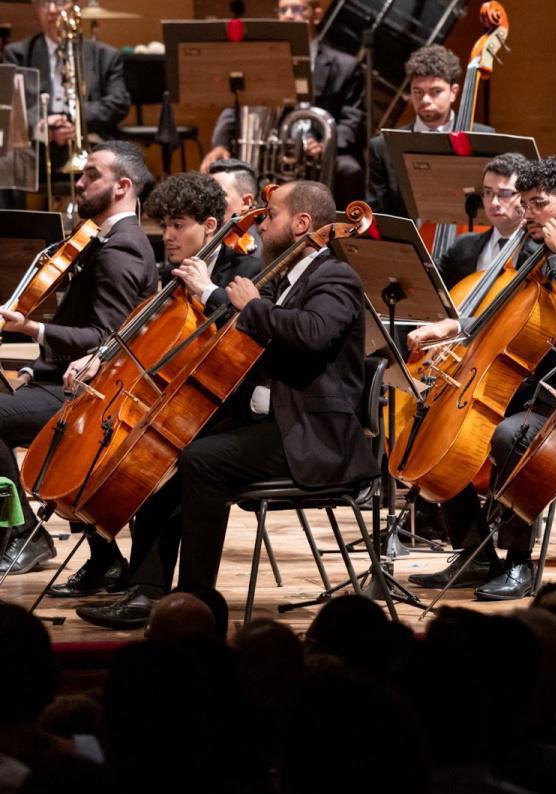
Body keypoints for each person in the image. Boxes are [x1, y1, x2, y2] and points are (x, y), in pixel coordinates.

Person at [77, 181, 378, 626]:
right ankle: (146, 591)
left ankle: (196, 604)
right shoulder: (288, 275)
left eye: (271, 215)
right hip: (275, 424)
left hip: (313, 436)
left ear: (301, 223)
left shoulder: (335, 276)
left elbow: (312, 332)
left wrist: (232, 300)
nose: (261, 224)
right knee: (172, 452)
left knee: (203, 460)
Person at [405, 156, 556, 601]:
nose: (526, 213)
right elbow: (504, 313)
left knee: (510, 436)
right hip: (526, 389)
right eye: (524, 203)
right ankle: (475, 554)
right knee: (435, 419)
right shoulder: (532, 254)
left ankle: (517, 563)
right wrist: (455, 326)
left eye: (538, 204)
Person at [51, 171, 261, 603]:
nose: (166, 235)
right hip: (180, 400)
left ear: (208, 225)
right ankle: (137, 583)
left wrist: (208, 291)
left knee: (164, 464)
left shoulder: (247, 270)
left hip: (230, 404)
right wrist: (101, 356)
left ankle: (148, 591)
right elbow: (140, 332)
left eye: (177, 225)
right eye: (163, 225)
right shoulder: (174, 271)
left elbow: (247, 335)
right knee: (140, 452)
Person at [0, 142, 156, 576]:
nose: (80, 183)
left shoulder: (121, 249)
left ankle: (24, 537)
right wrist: (36, 366)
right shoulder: (103, 240)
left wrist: (29, 329)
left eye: (91, 175)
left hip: (94, 394)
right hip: (67, 381)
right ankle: (105, 563)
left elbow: (104, 339)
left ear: (122, 186)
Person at [200, 0, 365, 206]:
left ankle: (344, 233)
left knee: (349, 169)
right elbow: (237, 103)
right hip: (271, 145)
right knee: (221, 168)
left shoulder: (346, 66)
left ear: (317, 14)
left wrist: (326, 144)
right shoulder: (263, 60)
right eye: (283, 10)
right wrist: (220, 144)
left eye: (297, 9)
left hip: (317, 148)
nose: (288, 15)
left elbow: (353, 120)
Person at [366, 44, 496, 218]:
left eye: (435, 92)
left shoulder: (485, 138)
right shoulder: (383, 147)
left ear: (453, 92)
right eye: (418, 92)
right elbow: (378, 216)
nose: (425, 100)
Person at [1, 0, 130, 174]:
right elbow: (11, 107)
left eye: (60, 2)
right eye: (44, 3)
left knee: (133, 172)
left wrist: (74, 118)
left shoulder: (105, 56)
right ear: (36, 10)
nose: (52, 10)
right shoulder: (18, 54)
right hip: (37, 145)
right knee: (5, 164)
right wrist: (44, 127)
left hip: (92, 141)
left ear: (75, 5)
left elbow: (119, 102)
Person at [437, 152, 528, 286]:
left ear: (525, 196)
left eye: (505, 193)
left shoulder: (542, 250)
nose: (494, 203)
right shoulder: (462, 246)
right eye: (488, 193)